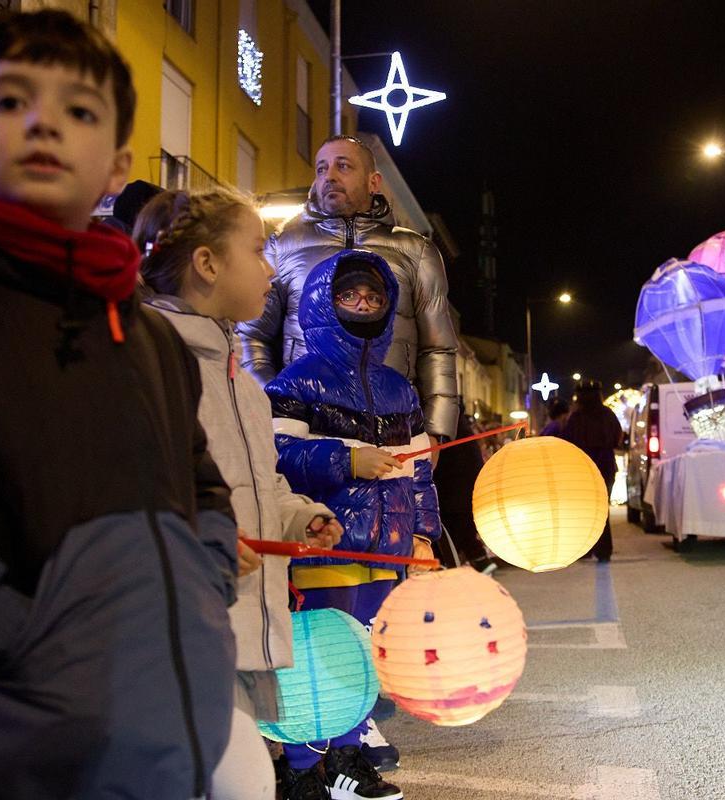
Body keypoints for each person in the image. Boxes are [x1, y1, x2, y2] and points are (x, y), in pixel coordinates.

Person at [0, 11, 239, 799]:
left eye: (79, 110)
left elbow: (200, 479)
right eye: (10, 101)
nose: (43, 123)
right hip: (4, 751)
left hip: (159, 736)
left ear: (116, 165)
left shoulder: (150, 339)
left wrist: (207, 576)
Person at [135, 188, 347, 800]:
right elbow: (138, 492)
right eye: (257, 250)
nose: (270, 268)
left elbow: (259, 484)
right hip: (180, 633)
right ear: (206, 264)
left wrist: (297, 517)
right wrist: (201, 540)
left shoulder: (244, 382)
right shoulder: (150, 363)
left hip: (244, 624)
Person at [266, 249, 441, 800]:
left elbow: (419, 473)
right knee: (321, 653)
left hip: (388, 549)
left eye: (373, 296)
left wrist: (424, 534)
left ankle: (346, 759)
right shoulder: (297, 379)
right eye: (349, 296)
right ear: (325, 302)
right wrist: (345, 461)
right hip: (326, 543)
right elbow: (275, 451)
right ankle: (299, 766)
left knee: (365, 655)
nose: (362, 304)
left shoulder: (400, 388)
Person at [237, 135, 459, 444]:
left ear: (374, 182)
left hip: (393, 432)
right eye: (321, 168)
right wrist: (274, 407)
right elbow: (250, 336)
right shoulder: (282, 247)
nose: (329, 176)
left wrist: (436, 432)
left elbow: (438, 348)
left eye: (343, 166)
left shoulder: (416, 251)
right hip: (305, 433)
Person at [563, 379, 623, 562]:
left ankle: (587, 548)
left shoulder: (575, 418)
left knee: (586, 509)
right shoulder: (608, 414)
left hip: (583, 466)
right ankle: (604, 550)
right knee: (602, 509)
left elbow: (567, 443)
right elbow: (618, 439)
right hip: (605, 464)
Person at [433, 399, 495, 571]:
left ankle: (468, 566)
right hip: (466, 493)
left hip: (452, 496)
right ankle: (481, 562)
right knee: (462, 534)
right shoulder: (462, 427)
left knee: (451, 539)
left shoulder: (445, 428)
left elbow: (440, 465)